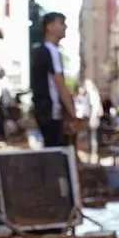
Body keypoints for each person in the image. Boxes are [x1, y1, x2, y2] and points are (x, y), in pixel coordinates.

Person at [30, 12, 76, 148]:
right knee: (57, 153)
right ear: (49, 27)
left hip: (42, 111)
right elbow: (60, 85)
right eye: (61, 23)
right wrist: (73, 114)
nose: (65, 27)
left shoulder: (40, 52)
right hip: (51, 112)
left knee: (50, 151)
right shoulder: (52, 51)